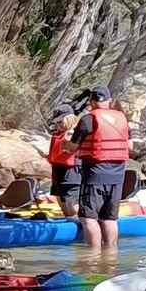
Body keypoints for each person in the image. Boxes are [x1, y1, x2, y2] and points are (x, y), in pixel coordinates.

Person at [70, 86, 132, 256]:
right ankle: (111, 255)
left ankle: (93, 256)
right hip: (118, 175)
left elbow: (72, 147)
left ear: (91, 102)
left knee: (88, 217)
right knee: (109, 219)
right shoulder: (122, 118)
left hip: (95, 174)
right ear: (109, 100)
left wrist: (63, 145)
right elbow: (130, 146)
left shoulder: (88, 119)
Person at [45, 100, 82, 218]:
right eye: (56, 123)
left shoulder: (74, 133)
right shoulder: (58, 133)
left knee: (71, 202)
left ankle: (82, 226)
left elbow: (71, 148)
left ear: (69, 119)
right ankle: (69, 221)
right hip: (58, 171)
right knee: (62, 201)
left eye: (60, 122)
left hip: (71, 173)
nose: (58, 125)